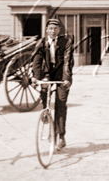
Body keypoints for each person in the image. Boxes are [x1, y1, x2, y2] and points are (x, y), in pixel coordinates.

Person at [32, 18, 74, 151]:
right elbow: (37, 62)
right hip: (47, 74)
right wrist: (36, 78)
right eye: (50, 28)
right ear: (46, 30)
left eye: (56, 28)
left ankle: (61, 136)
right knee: (44, 92)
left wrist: (67, 78)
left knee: (61, 103)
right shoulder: (41, 43)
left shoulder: (66, 42)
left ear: (59, 30)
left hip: (62, 75)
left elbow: (68, 61)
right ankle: (45, 111)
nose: (53, 31)